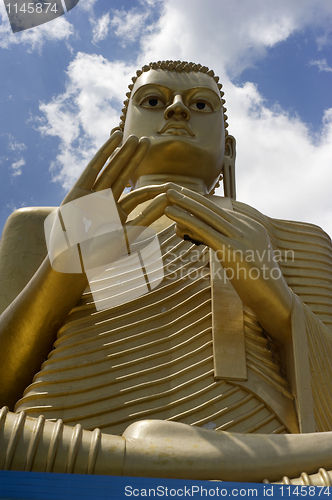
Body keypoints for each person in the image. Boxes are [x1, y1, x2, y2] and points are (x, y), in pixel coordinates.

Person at [1, 60, 332, 484]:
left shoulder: (292, 238)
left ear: (228, 150)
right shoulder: (45, 224)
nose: (177, 110)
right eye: (154, 101)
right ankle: (159, 457)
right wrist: (61, 269)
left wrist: (278, 302)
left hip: (265, 446)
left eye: (200, 104)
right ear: (118, 139)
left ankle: (147, 458)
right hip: (52, 437)